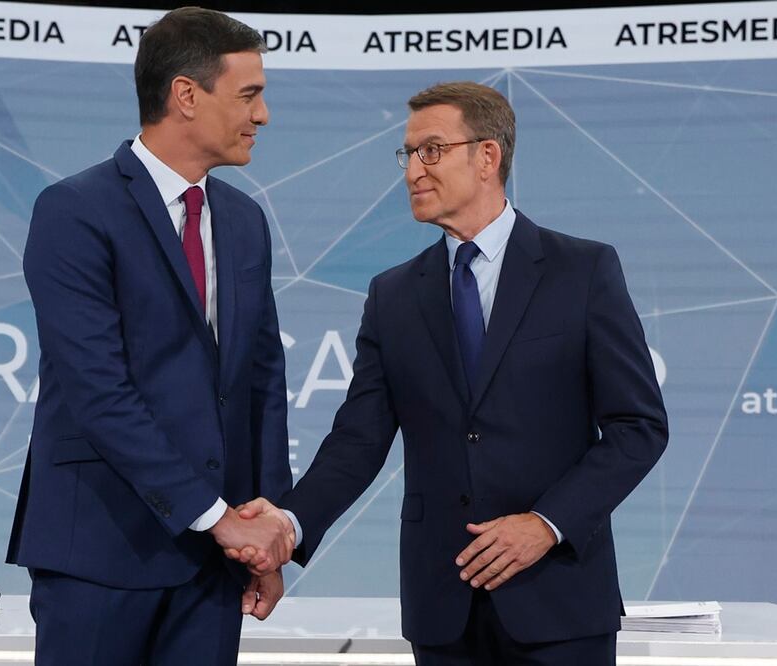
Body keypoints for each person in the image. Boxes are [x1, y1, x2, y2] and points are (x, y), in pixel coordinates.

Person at [239, 81, 669, 664]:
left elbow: (637, 427)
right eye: (408, 154)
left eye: (432, 150)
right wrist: (290, 521)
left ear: (487, 156)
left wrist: (546, 523)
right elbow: (359, 440)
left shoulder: (583, 270)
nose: (414, 169)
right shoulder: (392, 295)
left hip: (560, 602)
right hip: (443, 608)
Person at [5, 7, 295, 665]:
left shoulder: (245, 221)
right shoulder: (76, 210)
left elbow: (262, 380)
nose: (264, 115)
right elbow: (98, 391)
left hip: (214, 566)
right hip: (100, 553)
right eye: (249, 95)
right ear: (186, 96)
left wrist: (267, 529)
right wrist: (216, 516)